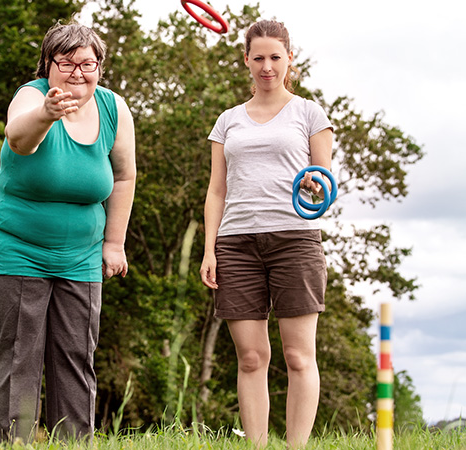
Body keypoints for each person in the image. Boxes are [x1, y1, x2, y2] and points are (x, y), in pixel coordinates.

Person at [0, 21, 136, 444]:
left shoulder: (113, 108)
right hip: (18, 245)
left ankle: (75, 443)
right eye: (66, 62)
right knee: (18, 357)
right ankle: (15, 442)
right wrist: (46, 114)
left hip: (82, 252)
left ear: (100, 67)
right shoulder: (31, 97)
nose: (77, 72)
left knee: (75, 356)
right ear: (48, 65)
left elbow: (124, 177)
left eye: (88, 63)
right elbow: (18, 140)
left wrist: (114, 243)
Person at [199, 19, 334, 449]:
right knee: (252, 357)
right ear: (246, 61)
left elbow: (324, 179)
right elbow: (216, 190)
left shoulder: (310, 114)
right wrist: (209, 249)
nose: (267, 66)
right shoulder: (227, 121)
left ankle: (296, 447)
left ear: (289, 58)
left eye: (275, 57)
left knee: (298, 356)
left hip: (295, 239)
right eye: (258, 58)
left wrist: (315, 185)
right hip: (236, 243)